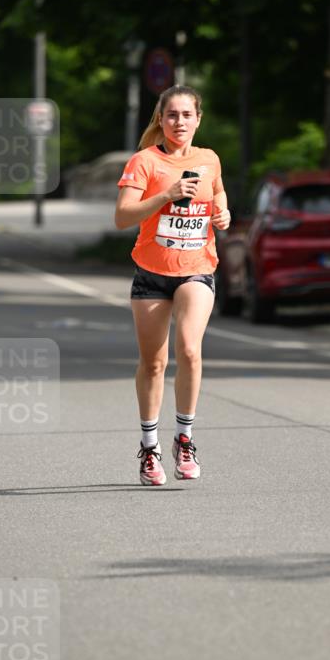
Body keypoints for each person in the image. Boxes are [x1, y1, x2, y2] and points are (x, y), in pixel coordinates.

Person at [115, 85, 231, 485]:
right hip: (151, 273)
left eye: (187, 115)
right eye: (172, 116)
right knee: (153, 363)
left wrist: (224, 214)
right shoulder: (144, 162)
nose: (179, 122)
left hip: (197, 268)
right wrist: (165, 195)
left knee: (189, 349)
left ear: (199, 119)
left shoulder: (209, 159)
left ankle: (185, 438)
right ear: (160, 120)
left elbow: (217, 194)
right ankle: (150, 448)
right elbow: (122, 216)